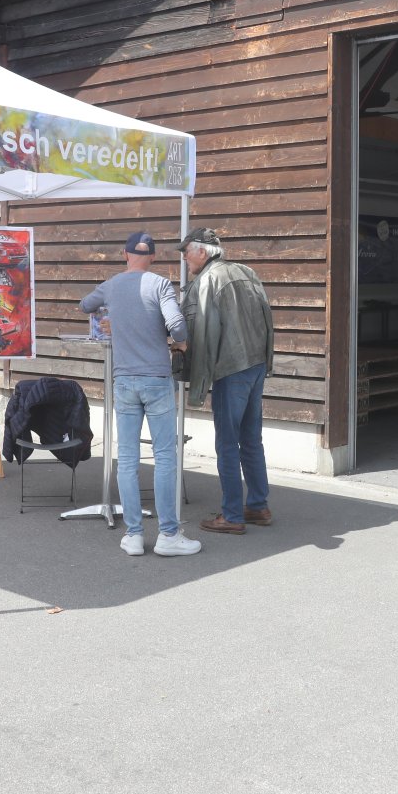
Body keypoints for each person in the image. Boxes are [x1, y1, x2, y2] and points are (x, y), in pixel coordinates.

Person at [79, 231, 200, 558]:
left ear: (125, 254)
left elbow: (85, 305)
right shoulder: (160, 284)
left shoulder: (112, 286)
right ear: (154, 257)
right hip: (157, 380)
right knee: (165, 458)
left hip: (124, 380)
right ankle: (168, 535)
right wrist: (178, 341)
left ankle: (133, 535)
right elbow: (177, 326)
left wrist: (112, 316)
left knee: (128, 459)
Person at [178, 227, 275, 536]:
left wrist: (197, 380)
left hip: (230, 369)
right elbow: (267, 318)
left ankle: (232, 515)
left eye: (186, 252)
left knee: (227, 443)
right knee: (251, 439)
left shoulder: (207, 280)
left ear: (202, 252)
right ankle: (258, 506)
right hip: (255, 364)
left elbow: (203, 332)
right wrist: (267, 359)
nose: (184, 259)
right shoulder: (246, 271)